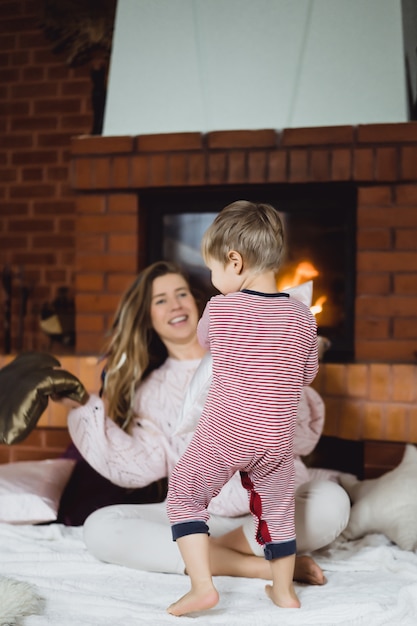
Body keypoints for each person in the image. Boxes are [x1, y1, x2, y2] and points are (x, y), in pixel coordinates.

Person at [64, 260, 350, 596]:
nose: (175, 305)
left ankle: (212, 554)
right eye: (160, 300)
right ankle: (261, 564)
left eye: (181, 293)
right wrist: (81, 405)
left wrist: (280, 367)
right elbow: (140, 468)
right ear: (148, 317)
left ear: (197, 303)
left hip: (264, 513)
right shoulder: (150, 391)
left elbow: (298, 440)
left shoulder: (250, 345)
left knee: (332, 503)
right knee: (100, 528)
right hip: (198, 516)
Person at [165, 201, 318, 615]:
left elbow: (206, 345)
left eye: (213, 271)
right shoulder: (303, 316)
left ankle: (202, 587)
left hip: (226, 431)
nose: (213, 282)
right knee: (279, 509)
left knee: (185, 494)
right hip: (275, 439)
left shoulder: (220, 308)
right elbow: (306, 375)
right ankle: (284, 592)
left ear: (235, 261)